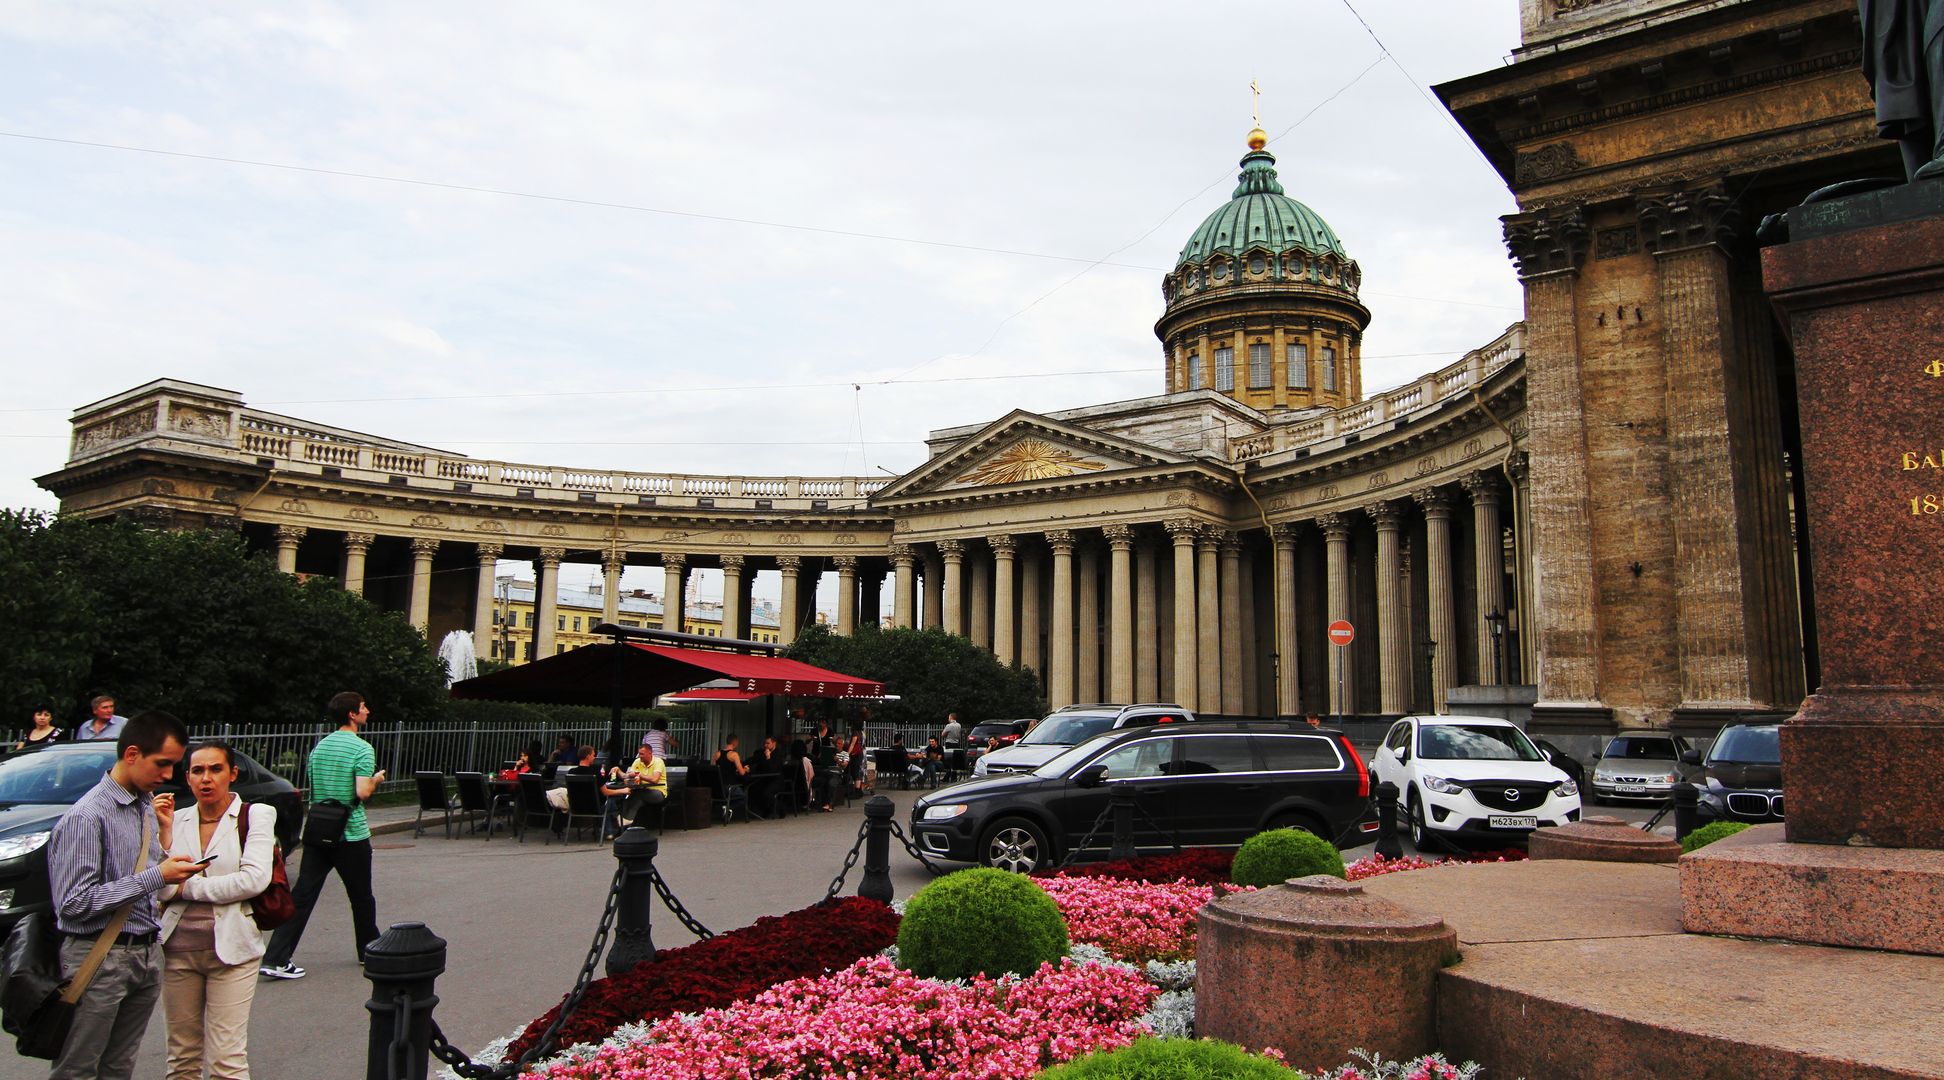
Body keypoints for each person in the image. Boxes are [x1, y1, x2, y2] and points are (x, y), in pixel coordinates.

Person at [46, 709, 208, 1080]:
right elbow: (73, 904)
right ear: (132, 754)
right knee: (78, 1069)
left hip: (147, 953)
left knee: (119, 1067)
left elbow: (148, 878)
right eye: (162, 764)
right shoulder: (87, 816)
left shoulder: (144, 808)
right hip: (99, 957)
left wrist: (166, 853)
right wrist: (156, 875)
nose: (168, 776)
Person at [160, 741, 275, 1080]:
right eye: (198, 771)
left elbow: (254, 880)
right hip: (177, 953)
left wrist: (187, 887)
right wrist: (164, 834)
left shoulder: (256, 815)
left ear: (232, 774)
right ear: (188, 778)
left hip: (233, 953)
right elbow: (157, 884)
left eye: (215, 769)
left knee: (227, 1060)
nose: (206, 779)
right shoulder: (175, 820)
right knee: (182, 1058)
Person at [258, 692, 385, 980]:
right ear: (352, 714)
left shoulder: (320, 747)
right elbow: (362, 792)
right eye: (364, 706)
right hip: (350, 833)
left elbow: (316, 788)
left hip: (317, 830)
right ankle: (368, 950)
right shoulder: (362, 749)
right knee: (361, 895)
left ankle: (277, 957)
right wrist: (376, 779)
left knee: (302, 894)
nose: (368, 710)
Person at [616, 743, 668, 828]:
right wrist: (618, 771)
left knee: (636, 794)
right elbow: (628, 777)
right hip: (641, 791)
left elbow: (655, 780)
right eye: (639, 753)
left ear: (650, 753)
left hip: (658, 792)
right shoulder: (637, 761)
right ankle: (625, 826)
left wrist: (639, 775)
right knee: (635, 800)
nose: (640, 756)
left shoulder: (658, 762)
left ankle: (623, 821)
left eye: (642, 754)